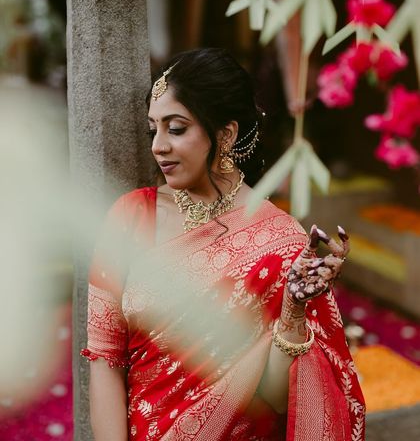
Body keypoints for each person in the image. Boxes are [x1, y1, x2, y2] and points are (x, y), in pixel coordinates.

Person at [82, 48, 365, 441]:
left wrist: (294, 313)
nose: (158, 146)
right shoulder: (131, 217)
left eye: (176, 128)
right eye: (154, 129)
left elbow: (277, 398)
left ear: (226, 134)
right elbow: (105, 358)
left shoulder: (280, 242)